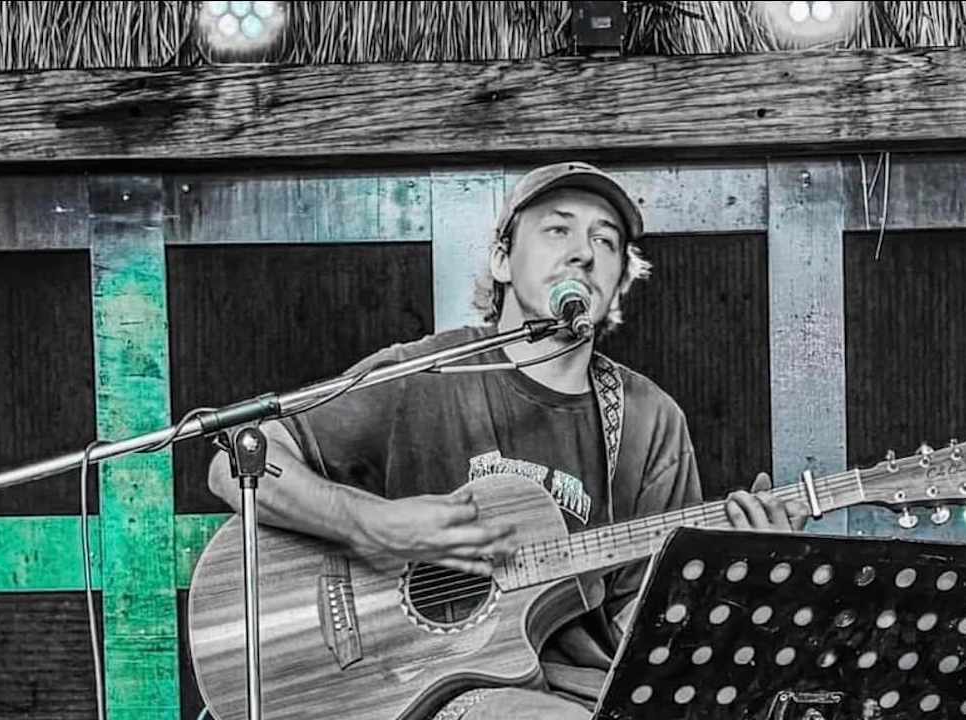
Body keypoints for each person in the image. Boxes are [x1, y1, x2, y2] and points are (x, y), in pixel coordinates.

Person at [207, 161, 809, 719]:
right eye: (557, 230)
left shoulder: (649, 418)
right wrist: (372, 525)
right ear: (501, 259)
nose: (583, 253)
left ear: (619, 282)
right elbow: (238, 464)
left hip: (584, 698)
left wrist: (739, 575)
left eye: (605, 241)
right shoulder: (423, 376)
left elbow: (643, 626)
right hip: (433, 690)